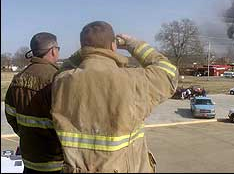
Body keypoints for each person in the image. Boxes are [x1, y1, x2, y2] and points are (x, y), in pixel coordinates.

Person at [50, 21, 179, 173]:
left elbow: (63, 68)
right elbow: (169, 73)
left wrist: (85, 51)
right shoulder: (132, 80)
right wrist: (133, 44)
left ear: (83, 48)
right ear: (113, 46)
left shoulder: (61, 81)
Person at [5, 32, 64, 173]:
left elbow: (10, 114)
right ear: (53, 51)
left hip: (30, 159)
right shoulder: (58, 78)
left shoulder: (18, 78)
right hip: (55, 162)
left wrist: (27, 134)